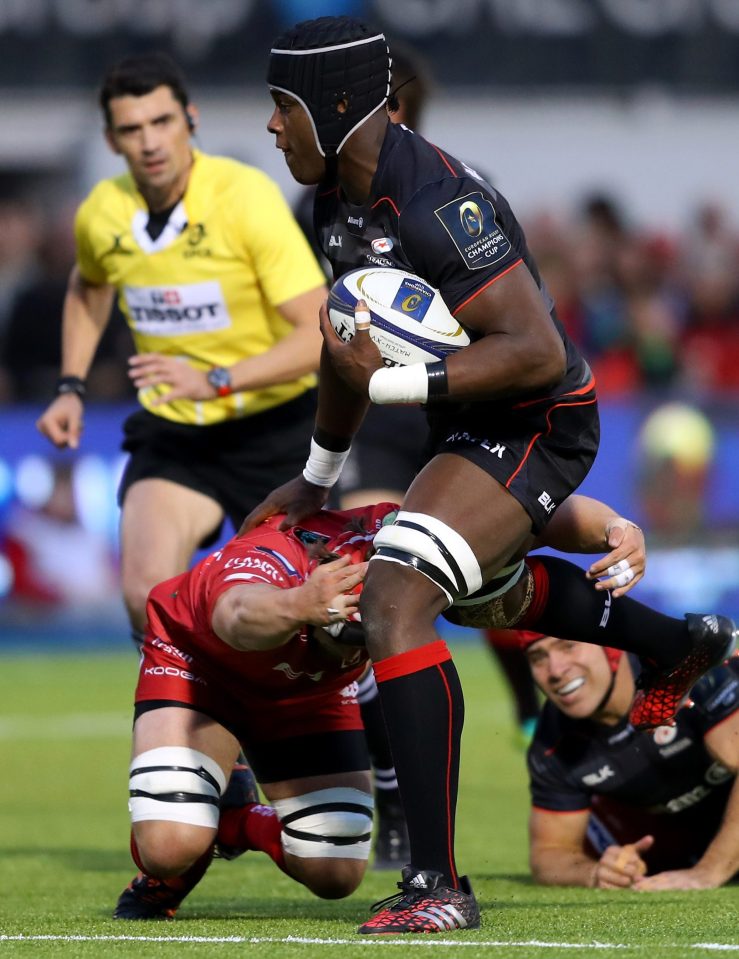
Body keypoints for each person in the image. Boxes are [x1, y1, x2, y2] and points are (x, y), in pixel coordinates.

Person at [249, 15, 735, 935]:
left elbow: (538, 353)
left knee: (394, 598)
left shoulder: (436, 203)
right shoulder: (334, 204)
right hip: (468, 421)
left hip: (537, 422)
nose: (272, 126)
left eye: (281, 106)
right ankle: (675, 642)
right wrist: (318, 474)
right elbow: (341, 352)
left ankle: (436, 883)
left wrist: (390, 382)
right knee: (488, 598)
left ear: (334, 103)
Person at [114, 492, 648, 920]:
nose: (368, 637)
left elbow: (536, 512)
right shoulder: (271, 558)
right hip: (203, 665)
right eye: (354, 629)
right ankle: (174, 860)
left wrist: (614, 527)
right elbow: (234, 617)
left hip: (311, 690)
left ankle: (234, 820)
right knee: (171, 844)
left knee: (334, 872)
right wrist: (298, 604)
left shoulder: (408, 537)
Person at [35, 52, 326, 653]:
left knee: (308, 622)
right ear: (111, 140)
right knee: (146, 594)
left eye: (161, 122)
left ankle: (362, 729)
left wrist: (217, 379)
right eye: (132, 129)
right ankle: (189, 740)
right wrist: (71, 385)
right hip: (175, 433)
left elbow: (318, 333)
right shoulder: (101, 214)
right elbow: (89, 288)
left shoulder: (244, 197)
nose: (149, 142)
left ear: (190, 119)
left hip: (277, 431)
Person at [517, 629, 739, 890]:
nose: (555, 670)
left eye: (568, 646)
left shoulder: (686, 668)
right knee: (604, 840)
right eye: (538, 657)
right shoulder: (552, 744)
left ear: (611, 646)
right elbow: (549, 854)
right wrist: (596, 872)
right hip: (681, 834)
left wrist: (708, 872)